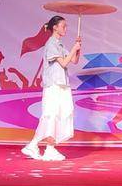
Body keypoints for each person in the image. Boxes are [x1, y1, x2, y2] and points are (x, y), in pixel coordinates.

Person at [21, 16, 80, 161]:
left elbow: (74, 60)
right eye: (63, 26)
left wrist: (77, 47)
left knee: (60, 114)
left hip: (62, 84)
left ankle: (42, 147)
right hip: (53, 84)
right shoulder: (51, 44)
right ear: (55, 27)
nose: (66, 28)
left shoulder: (59, 44)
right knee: (51, 115)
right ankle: (43, 147)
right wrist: (73, 49)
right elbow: (64, 63)